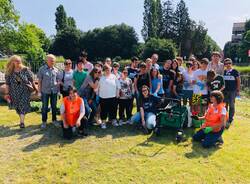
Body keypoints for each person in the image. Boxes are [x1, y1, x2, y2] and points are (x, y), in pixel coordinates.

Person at [5, 55, 37, 128]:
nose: (18, 62)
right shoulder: (9, 72)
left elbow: (31, 80)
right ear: (12, 62)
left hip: (25, 91)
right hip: (14, 92)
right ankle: (21, 119)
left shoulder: (25, 70)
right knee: (18, 107)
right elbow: (7, 84)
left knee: (23, 105)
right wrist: (7, 93)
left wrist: (35, 88)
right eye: (16, 61)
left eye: (19, 61)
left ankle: (22, 122)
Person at [38, 54, 60, 129]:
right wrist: (39, 91)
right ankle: (44, 122)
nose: (52, 61)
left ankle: (54, 120)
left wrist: (59, 91)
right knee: (44, 107)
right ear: (47, 61)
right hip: (45, 91)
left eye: (53, 60)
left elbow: (58, 81)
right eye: (51, 60)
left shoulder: (56, 70)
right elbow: (39, 81)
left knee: (54, 106)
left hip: (54, 91)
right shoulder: (42, 69)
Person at [98, 64, 120, 129]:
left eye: (109, 70)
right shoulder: (101, 78)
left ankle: (113, 121)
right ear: (104, 70)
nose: (108, 71)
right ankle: (103, 122)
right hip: (103, 97)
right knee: (104, 110)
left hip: (113, 97)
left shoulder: (114, 76)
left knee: (113, 109)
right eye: (107, 70)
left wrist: (117, 93)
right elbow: (97, 88)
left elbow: (118, 86)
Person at [223, 58, 240, 128]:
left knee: (231, 105)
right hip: (225, 91)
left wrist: (238, 90)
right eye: (226, 63)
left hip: (233, 91)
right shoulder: (224, 71)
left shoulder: (235, 71)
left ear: (231, 63)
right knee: (225, 105)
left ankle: (230, 119)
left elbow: (238, 81)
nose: (228, 65)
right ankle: (225, 118)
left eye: (229, 63)